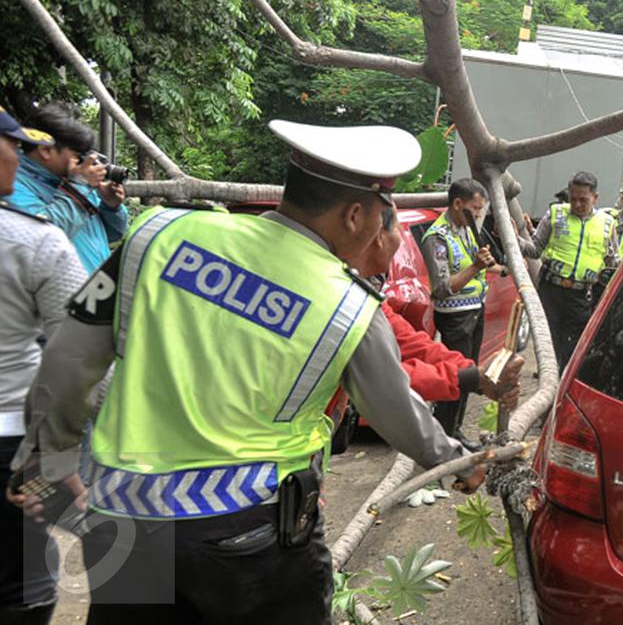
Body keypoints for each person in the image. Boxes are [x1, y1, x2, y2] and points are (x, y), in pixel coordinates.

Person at [9, 119, 485, 623]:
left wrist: (49, 457)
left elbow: (67, 361)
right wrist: (459, 460)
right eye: (380, 217)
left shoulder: (159, 235)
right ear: (353, 215)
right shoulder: (346, 305)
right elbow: (397, 412)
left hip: (125, 519)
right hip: (251, 538)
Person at [0, 106, 81, 625]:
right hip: (16, 443)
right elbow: (81, 348)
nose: (20, 157)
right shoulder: (33, 237)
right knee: (25, 584)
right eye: (15, 146)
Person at [356, 214, 522, 408]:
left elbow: (412, 343)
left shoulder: (467, 234)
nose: (400, 235)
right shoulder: (437, 237)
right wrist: (474, 377)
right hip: (456, 313)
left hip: (474, 308)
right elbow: (384, 377)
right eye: (395, 227)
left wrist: (477, 375)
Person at [420, 178, 500, 446]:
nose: (478, 215)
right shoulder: (437, 237)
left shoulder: (465, 228)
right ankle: (443, 435)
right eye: (475, 208)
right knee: (457, 377)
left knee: (468, 374)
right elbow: (441, 288)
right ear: (457, 204)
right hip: (455, 317)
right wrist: (476, 267)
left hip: (474, 310)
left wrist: (493, 266)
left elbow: (477, 264)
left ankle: (454, 429)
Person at [6, 103, 128, 273]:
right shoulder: (10, 185)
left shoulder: (75, 180)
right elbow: (39, 240)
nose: (85, 162)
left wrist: (111, 206)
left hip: (93, 291)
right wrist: (78, 190)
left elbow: (114, 235)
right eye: (78, 156)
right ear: (46, 150)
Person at [519, 171, 616, 369]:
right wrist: (512, 237)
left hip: (581, 297)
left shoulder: (607, 223)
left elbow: (613, 260)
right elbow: (535, 249)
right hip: (551, 292)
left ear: (595, 198)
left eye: (583, 200)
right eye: (573, 199)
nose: (577, 205)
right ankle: (548, 390)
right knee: (548, 349)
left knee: (572, 352)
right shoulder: (556, 213)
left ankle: (561, 392)